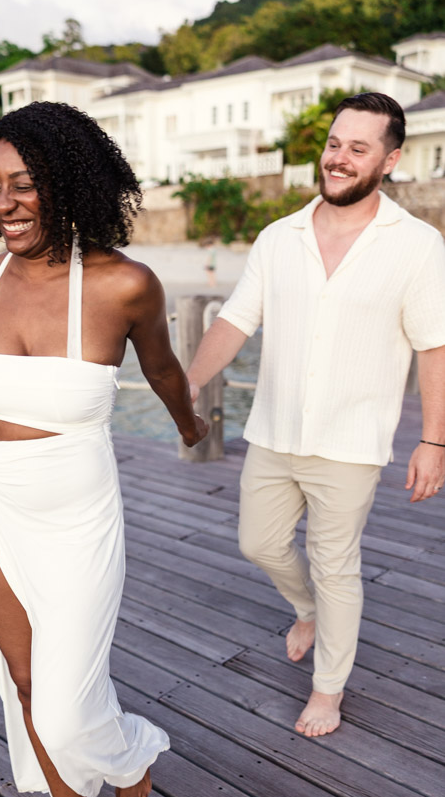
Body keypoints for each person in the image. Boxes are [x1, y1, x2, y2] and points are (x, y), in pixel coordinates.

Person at [0, 101, 207, 797]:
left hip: (76, 517)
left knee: (68, 712)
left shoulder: (123, 283)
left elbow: (164, 369)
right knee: (25, 687)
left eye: (24, 185)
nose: (4, 204)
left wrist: (189, 424)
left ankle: (131, 749)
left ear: (67, 185)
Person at [187, 92, 445, 738]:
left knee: (337, 566)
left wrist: (433, 441)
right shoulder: (279, 238)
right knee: (258, 542)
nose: (338, 158)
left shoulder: (417, 246)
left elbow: (433, 347)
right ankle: (304, 610)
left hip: (352, 442)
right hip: (273, 431)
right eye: (334, 143)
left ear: (388, 161)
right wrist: (183, 383)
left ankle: (327, 690)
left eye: (357, 149)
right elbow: (233, 322)